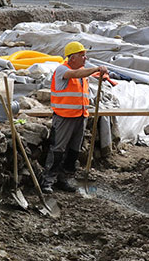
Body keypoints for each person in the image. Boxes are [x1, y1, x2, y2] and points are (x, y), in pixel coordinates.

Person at [41, 41, 110, 193]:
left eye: (85, 55)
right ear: (72, 58)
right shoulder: (62, 70)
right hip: (64, 117)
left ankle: (64, 179)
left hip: (80, 116)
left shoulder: (82, 73)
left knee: (74, 150)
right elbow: (75, 74)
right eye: (82, 56)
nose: (85, 58)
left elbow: (84, 76)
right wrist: (96, 69)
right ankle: (48, 180)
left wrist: (100, 76)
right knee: (58, 149)